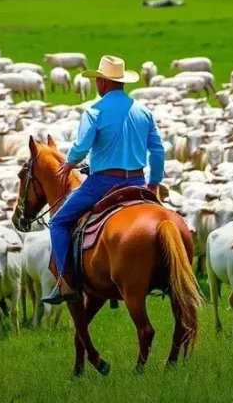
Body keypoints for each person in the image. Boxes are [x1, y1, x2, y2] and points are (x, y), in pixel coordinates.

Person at [43, 55, 165, 305]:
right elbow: (158, 150)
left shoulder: (94, 110)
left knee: (58, 221)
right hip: (138, 183)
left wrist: (69, 163)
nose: (97, 83)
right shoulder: (143, 112)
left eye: (98, 79)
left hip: (102, 183)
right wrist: (154, 183)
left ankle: (66, 283)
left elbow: (81, 146)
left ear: (104, 83)